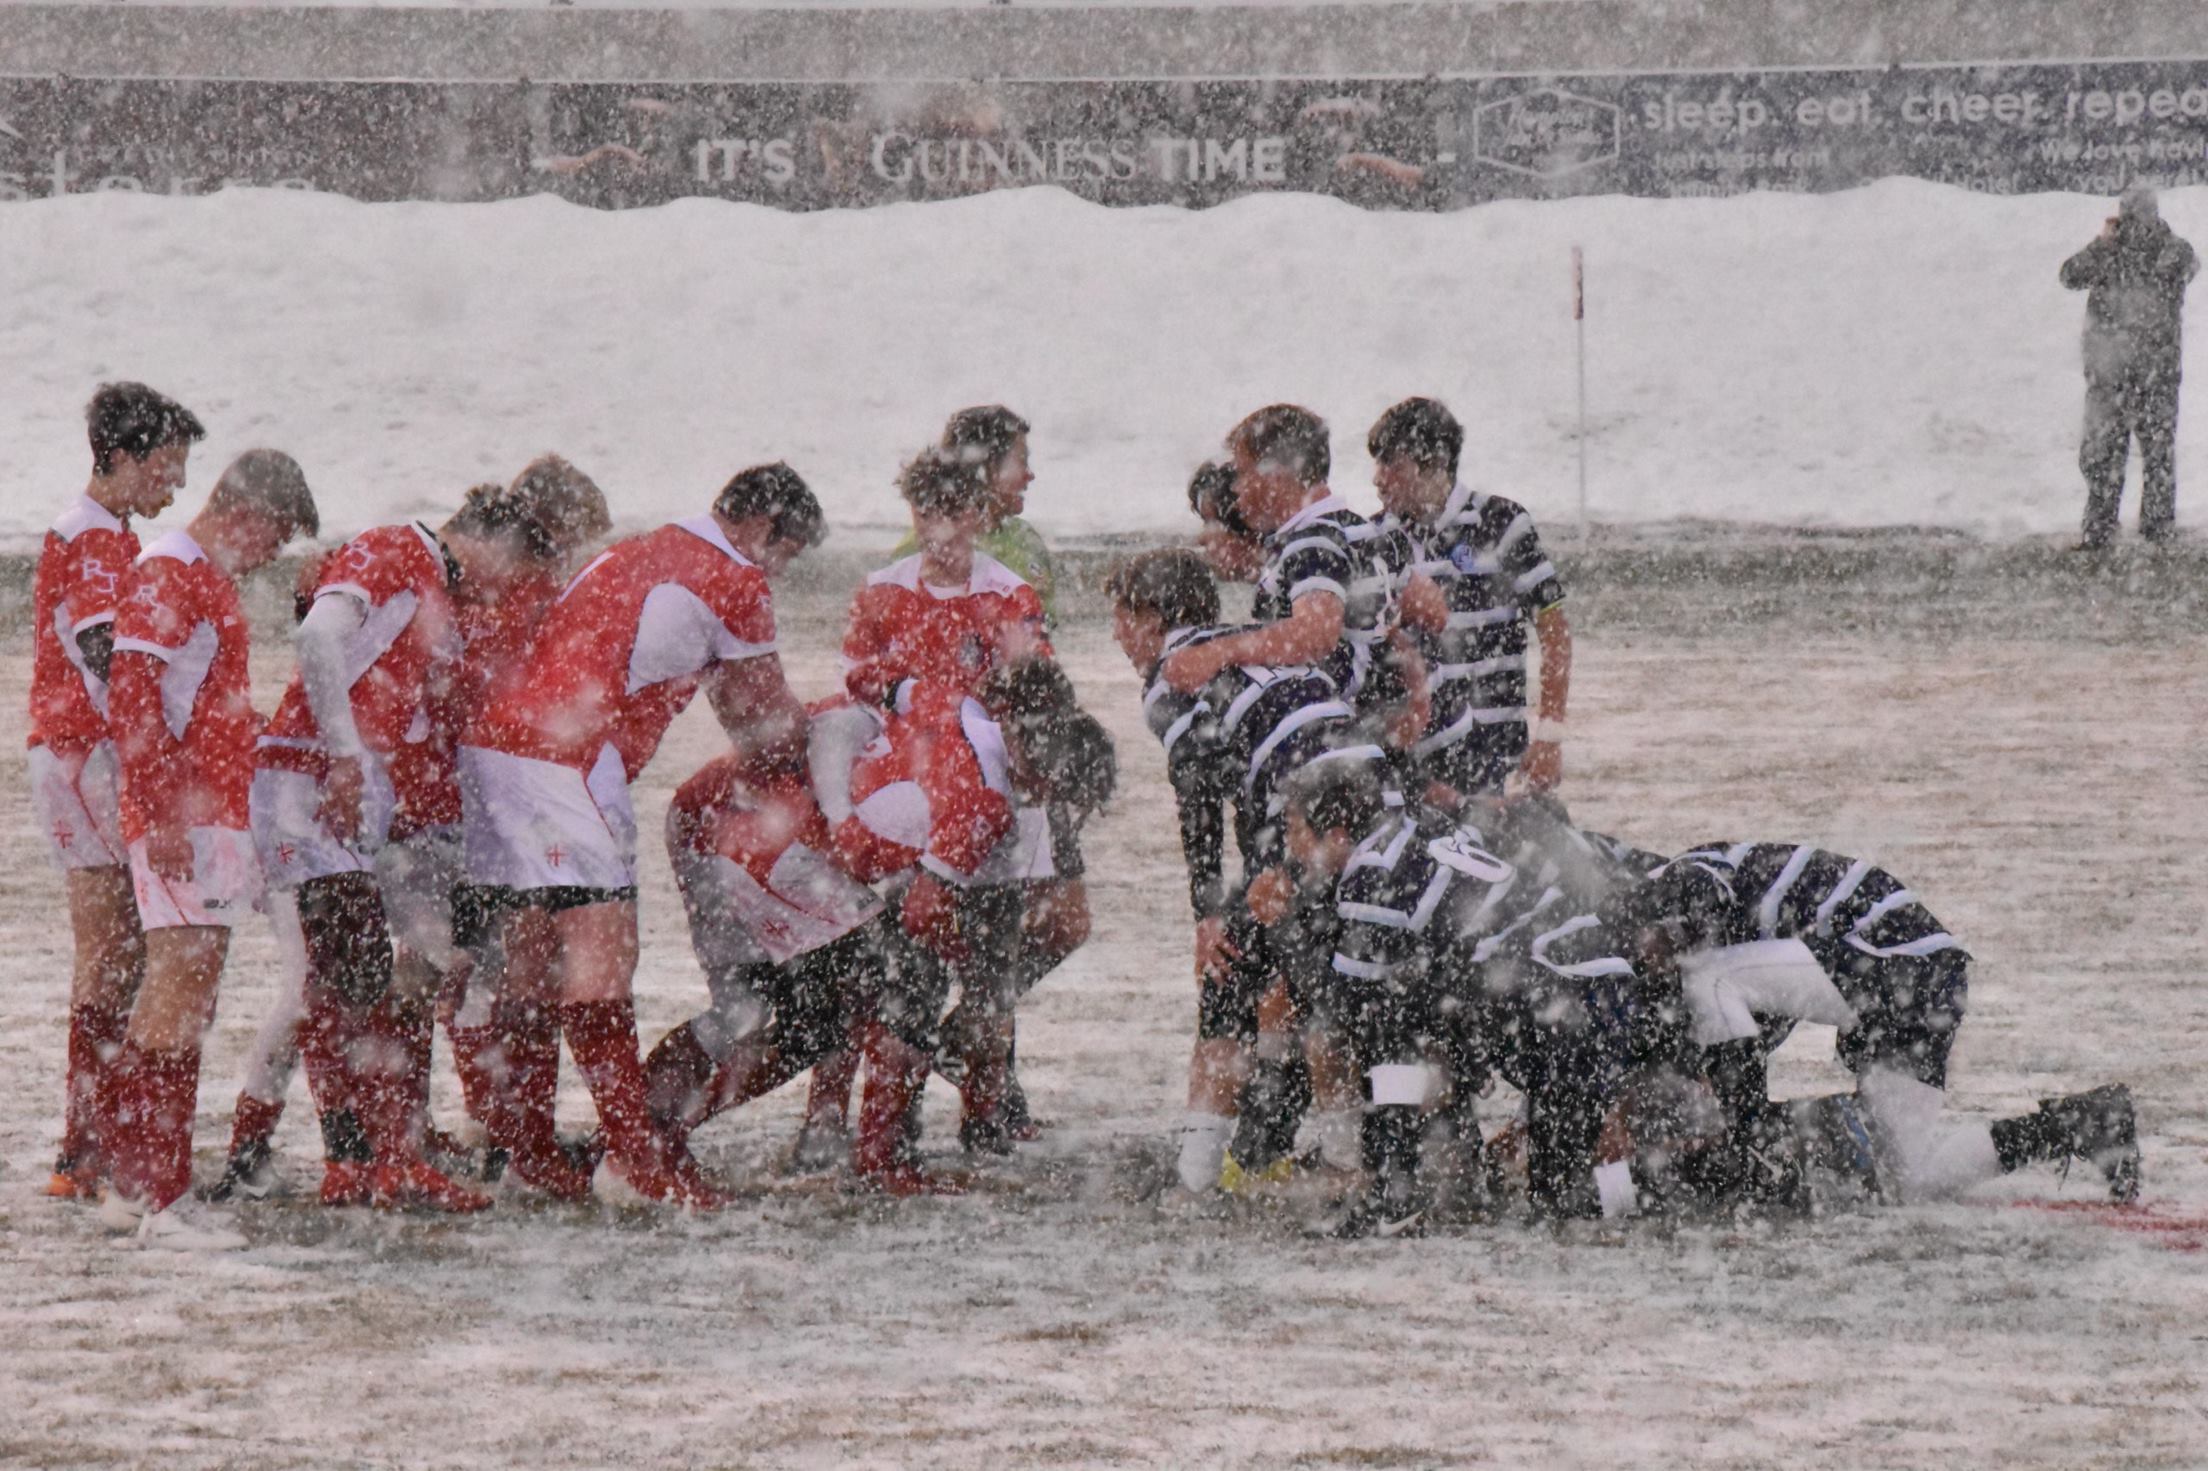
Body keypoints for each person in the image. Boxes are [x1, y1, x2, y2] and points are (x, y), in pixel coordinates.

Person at [212, 459, 612, 1200]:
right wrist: (340, 755)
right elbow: (317, 635)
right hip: (307, 782)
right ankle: (314, 1155)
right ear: (496, 540)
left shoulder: (432, 576)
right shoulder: (401, 551)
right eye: (518, 567)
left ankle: (371, 1158)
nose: (502, 591)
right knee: (326, 979)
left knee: (351, 975)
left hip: (351, 793)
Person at [461, 463, 825, 1208]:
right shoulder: (737, 579)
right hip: (570, 761)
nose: (780, 574)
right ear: (761, 528)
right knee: (601, 959)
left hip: (492, 748)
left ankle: (527, 1154)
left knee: (530, 963)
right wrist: (828, 734)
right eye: (787, 555)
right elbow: (764, 725)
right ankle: (632, 1162)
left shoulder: (631, 548)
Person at [1526, 841, 2141, 1216]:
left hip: (1891, 953)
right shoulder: (1710, 953)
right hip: (1926, 978)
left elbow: (1705, 926)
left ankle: (1746, 1146)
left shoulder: (1679, 884)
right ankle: (2079, 1124)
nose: (1650, 959)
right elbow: (1745, 1030)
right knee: (1913, 1174)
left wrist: (1726, 1126)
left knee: (1707, 978)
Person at [92, 450, 319, 1247]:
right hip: (180, 814)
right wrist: (159, 811)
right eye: (277, 534)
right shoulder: (168, 570)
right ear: (248, 511)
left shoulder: (204, 579)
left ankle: (133, 1184)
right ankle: (159, 1195)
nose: (272, 553)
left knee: (187, 991)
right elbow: (133, 694)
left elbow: (203, 703)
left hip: (211, 809)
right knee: (177, 990)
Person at [1107, 548, 1383, 1196]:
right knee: (1322, 979)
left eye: (1120, 617)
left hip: (1314, 817)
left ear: (1151, 616)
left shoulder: (1172, 675)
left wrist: (1207, 911)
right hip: (1375, 804)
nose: (1118, 635)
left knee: (1228, 979)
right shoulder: (1251, 643)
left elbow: (1199, 780)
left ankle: (1199, 1175)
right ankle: (1337, 1151)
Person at [34, 383, 204, 1201]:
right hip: (83, 754)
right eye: (167, 467)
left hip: (69, 753)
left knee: (115, 955)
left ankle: (86, 1146)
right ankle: (89, 1146)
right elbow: (107, 653)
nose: (174, 487)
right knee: (118, 955)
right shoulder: (92, 541)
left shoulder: (104, 537)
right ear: (126, 456)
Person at [1367, 398, 1571, 804]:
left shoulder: (1502, 524)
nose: (1377, 478)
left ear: (1434, 464)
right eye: (1377, 464)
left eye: (1392, 464)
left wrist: (1549, 737)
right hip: (1416, 769)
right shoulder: (1374, 539)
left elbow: (1554, 629)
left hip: (1499, 758)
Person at [2061, 187, 2199, 548]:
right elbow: (2069, 275)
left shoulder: (2171, 249)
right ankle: (2129, 527)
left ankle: (2120, 528)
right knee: (2128, 454)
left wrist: (2110, 247)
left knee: (2143, 455)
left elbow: (2185, 264)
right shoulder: (2113, 251)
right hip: (2119, 373)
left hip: (2148, 374)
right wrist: (2102, 245)